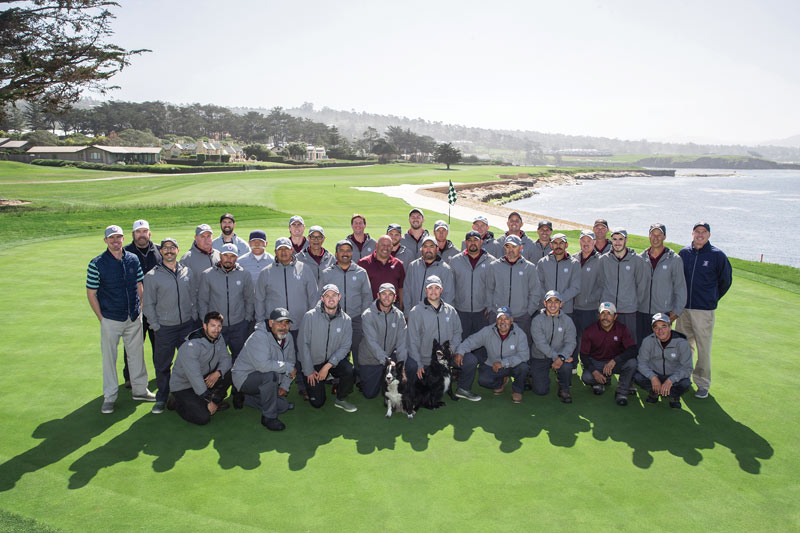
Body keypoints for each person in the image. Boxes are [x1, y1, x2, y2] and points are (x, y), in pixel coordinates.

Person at [87, 225, 156, 414]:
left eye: (118, 237)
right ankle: (109, 397)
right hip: (110, 318)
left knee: (137, 356)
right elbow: (91, 293)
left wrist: (139, 308)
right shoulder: (97, 263)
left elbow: (139, 285)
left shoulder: (133, 259)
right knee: (109, 359)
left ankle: (140, 390)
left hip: (133, 317)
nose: (115, 241)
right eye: (112, 238)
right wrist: (101, 318)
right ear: (106, 241)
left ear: (123, 238)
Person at [675, 221, 732, 399]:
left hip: (703, 310)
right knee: (683, 346)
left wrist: (712, 298)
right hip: (683, 308)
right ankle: (682, 378)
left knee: (703, 348)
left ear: (708, 235)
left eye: (704, 232)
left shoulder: (716, 255)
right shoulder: (684, 253)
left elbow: (725, 281)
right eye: (697, 231)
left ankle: (702, 383)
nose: (700, 235)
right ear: (692, 234)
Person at [407, 275, 480, 401]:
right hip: (426, 359)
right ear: (425, 290)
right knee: (412, 366)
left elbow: (458, 333)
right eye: (430, 288)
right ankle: (413, 388)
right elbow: (412, 340)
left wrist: (451, 349)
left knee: (470, 360)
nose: (433, 291)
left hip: (448, 356)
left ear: (441, 290)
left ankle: (463, 389)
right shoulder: (416, 311)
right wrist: (419, 363)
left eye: (437, 288)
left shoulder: (451, 311)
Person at [142, 237, 194, 414]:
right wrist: (156, 326)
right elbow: (148, 305)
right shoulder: (151, 276)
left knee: (188, 362)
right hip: (165, 328)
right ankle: (162, 397)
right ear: (161, 251)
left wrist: (192, 317)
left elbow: (193, 296)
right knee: (163, 365)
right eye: (165, 248)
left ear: (177, 250)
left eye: (172, 247)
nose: (169, 250)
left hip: (186, 326)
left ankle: (188, 394)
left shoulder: (187, 272)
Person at [232, 308, 297, 430]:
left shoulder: (288, 337)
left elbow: (291, 361)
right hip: (244, 378)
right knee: (269, 375)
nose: (283, 327)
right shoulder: (258, 337)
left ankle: (244, 398)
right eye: (279, 323)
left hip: (266, 379)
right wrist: (288, 367)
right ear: (271, 323)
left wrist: (284, 386)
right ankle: (269, 417)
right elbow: (263, 366)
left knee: (282, 406)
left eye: (286, 323)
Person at [297, 284, 357, 412]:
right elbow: (303, 345)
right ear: (322, 299)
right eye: (327, 296)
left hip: (332, 360)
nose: (331, 299)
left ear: (339, 297)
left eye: (334, 295)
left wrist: (328, 366)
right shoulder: (310, 316)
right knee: (318, 403)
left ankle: (341, 398)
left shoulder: (346, 319)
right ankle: (317, 383)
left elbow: (345, 346)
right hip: (313, 362)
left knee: (349, 370)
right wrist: (308, 370)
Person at [169, 311, 232, 425]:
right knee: (203, 418)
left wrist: (218, 373)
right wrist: (208, 401)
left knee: (229, 372)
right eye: (213, 326)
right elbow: (195, 377)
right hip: (184, 386)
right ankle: (176, 402)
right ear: (204, 326)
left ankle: (214, 401)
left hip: (204, 378)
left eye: (219, 326)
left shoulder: (219, 338)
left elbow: (226, 358)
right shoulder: (191, 347)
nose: (216, 330)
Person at [456, 307, 529, 403]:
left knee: (523, 367)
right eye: (500, 319)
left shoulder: (520, 334)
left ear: (511, 320)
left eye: (506, 319)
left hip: (512, 365)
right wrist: (460, 351)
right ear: (496, 320)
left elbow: (524, 355)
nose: (502, 322)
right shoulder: (487, 331)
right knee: (483, 380)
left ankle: (517, 390)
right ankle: (501, 382)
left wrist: (503, 363)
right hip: (494, 366)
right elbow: (471, 341)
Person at [320, 240, 372, 372]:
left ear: (352, 253)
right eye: (341, 250)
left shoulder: (361, 272)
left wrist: (363, 317)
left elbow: (367, 296)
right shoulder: (327, 273)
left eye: (348, 251)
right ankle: (337, 378)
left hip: (356, 318)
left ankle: (359, 376)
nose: (345, 253)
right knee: (337, 349)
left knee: (358, 348)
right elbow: (319, 297)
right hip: (335, 318)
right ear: (336, 253)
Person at [121, 219, 161, 388]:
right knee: (133, 344)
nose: (142, 235)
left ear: (149, 234)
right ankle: (130, 376)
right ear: (133, 235)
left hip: (157, 308)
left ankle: (162, 372)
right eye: (138, 232)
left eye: (145, 231)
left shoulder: (159, 250)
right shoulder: (125, 252)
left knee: (160, 344)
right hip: (135, 308)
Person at [198, 243, 254, 366]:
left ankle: (237, 385)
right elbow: (203, 301)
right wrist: (206, 322)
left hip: (239, 325)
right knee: (215, 360)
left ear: (236, 258)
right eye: (225, 255)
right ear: (220, 256)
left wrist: (247, 319)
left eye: (232, 256)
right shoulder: (208, 274)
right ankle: (217, 385)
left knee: (239, 359)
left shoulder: (244, 274)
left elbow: (249, 299)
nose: (228, 259)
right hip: (216, 327)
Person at [255, 237, 318, 345]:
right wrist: (261, 323)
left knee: (300, 358)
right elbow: (259, 299)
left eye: (286, 249)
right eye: (280, 249)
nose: (283, 252)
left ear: (292, 250)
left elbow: (313, 296)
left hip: (300, 325)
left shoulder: (304, 269)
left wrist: (312, 321)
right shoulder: (265, 273)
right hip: (275, 327)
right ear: (275, 252)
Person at [636, 223, 686, 346]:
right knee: (641, 348)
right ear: (649, 236)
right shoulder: (640, 258)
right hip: (641, 312)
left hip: (663, 313)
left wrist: (675, 312)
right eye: (653, 234)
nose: (656, 238)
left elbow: (680, 289)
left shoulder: (674, 259)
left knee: (660, 349)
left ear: (664, 237)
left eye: (659, 235)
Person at [449, 230, 496, 363]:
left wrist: (490, 306)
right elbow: (451, 286)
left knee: (482, 345)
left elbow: (494, 287)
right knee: (460, 342)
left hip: (482, 311)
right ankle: (459, 369)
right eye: (469, 240)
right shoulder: (455, 261)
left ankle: (483, 369)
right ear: (465, 243)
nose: (472, 243)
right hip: (461, 310)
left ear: (481, 242)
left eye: (476, 240)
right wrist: (452, 307)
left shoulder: (491, 261)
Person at [579, 302, 637, 406]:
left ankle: (621, 392)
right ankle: (600, 381)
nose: (605, 317)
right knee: (587, 377)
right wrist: (594, 371)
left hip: (615, 362)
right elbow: (583, 354)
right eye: (603, 313)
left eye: (609, 314)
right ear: (598, 315)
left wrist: (615, 361)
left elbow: (632, 349)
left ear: (615, 316)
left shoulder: (622, 329)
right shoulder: (590, 330)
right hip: (597, 362)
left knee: (632, 363)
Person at [486, 235, 542, 342]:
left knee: (521, 348)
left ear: (520, 248)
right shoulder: (494, 266)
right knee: (497, 347)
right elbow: (489, 290)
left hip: (521, 316)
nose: (510, 250)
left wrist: (528, 312)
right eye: (507, 246)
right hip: (499, 316)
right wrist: (491, 310)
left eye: (514, 246)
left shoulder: (529, 268)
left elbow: (535, 292)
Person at [358, 283, 408, 399]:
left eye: (390, 294)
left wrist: (402, 365)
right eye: (384, 294)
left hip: (390, 357)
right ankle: (369, 376)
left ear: (395, 298)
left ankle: (386, 376)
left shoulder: (399, 316)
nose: (387, 297)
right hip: (371, 360)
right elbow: (372, 343)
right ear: (378, 296)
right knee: (370, 394)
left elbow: (402, 342)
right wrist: (387, 361)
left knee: (410, 364)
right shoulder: (368, 315)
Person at [634, 313, 693, 409]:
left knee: (685, 383)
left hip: (673, 375)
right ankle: (654, 392)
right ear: (653, 329)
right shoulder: (647, 341)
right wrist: (653, 377)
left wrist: (670, 380)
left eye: (664, 326)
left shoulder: (682, 343)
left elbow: (687, 368)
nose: (660, 330)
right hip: (655, 373)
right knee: (637, 377)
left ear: (670, 327)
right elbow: (641, 363)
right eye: (656, 327)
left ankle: (674, 396)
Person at [599, 227, 648, 341]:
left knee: (629, 342)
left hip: (629, 310)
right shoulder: (604, 260)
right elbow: (600, 283)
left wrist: (634, 303)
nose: (617, 242)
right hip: (609, 310)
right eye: (615, 239)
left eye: (620, 239)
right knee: (609, 342)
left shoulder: (637, 260)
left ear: (626, 240)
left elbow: (641, 285)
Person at [530, 290, 577, 403]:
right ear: (544, 303)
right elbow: (540, 344)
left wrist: (561, 357)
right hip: (540, 357)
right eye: (549, 301)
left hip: (560, 356)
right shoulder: (537, 320)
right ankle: (534, 375)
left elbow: (571, 342)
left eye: (556, 301)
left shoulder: (567, 321)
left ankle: (563, 389)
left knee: (566, 366)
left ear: (561, 304)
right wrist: (557, 358)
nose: (553, 304)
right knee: (541, 390)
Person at [572, 230, 604, 364]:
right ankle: (572, 363)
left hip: (590, 307)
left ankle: (588, 364)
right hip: (573, 306)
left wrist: (591, 299)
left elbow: (603, 285)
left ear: (594, 242)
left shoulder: (601, 260)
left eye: (589, 241)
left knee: (588, 338)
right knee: (572, 337)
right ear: (580, 242)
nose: (586, 244)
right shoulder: (573, 259)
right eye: (583, 241)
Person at [180, 224, 221, 325]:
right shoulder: (187, 259)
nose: (206, 239)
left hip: (219, 308)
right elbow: (184, 289)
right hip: (198, 312)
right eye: (202, 236)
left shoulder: (219, 255)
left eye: (208, 236)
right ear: (196, 238)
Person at [403, 235, 455, 314]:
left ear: (437, 249)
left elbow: (448, 295)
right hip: (414, 314)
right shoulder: (413, 266)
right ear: (421, 249)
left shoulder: (445, 269)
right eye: (425, 246)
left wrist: (442, 316)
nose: (428, 249)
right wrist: (407, 311)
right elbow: (407, 291)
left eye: (431, 246)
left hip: (434, 315)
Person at [537, 233, 581, 315]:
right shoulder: (542, 262)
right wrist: (549, 301)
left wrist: (559, 300)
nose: (558, 246)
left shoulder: (574, 264)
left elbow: (575, 287)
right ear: (551, 245)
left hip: (566, 309)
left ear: (566, 245)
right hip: (545, 309)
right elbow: (538, 285)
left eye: (561, 243)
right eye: (555, 243)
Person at [358, 234, 406, 307]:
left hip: (392, 308)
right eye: (383, 245)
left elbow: (401, 288)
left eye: (388, 246)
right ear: (376, 245)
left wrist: (402, 306)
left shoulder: (398, 264)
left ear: (392, 247)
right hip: (370, 308)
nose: (385, 248)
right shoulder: (363, 263)